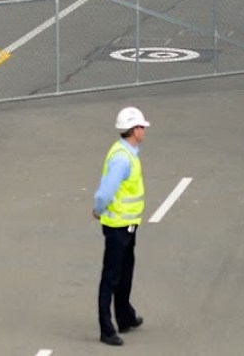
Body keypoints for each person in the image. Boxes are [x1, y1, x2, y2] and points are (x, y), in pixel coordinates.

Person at [93, 106, 149, 347]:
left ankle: (124, 316)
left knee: (126, 272)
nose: (144, 130)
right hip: (117, 225)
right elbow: (106, 191)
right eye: (141, 126)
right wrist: (98, 209)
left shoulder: (129, 152)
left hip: (128, 225)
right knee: (112, 276)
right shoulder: (122, 158)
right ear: (132, 130)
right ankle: (107, 328)